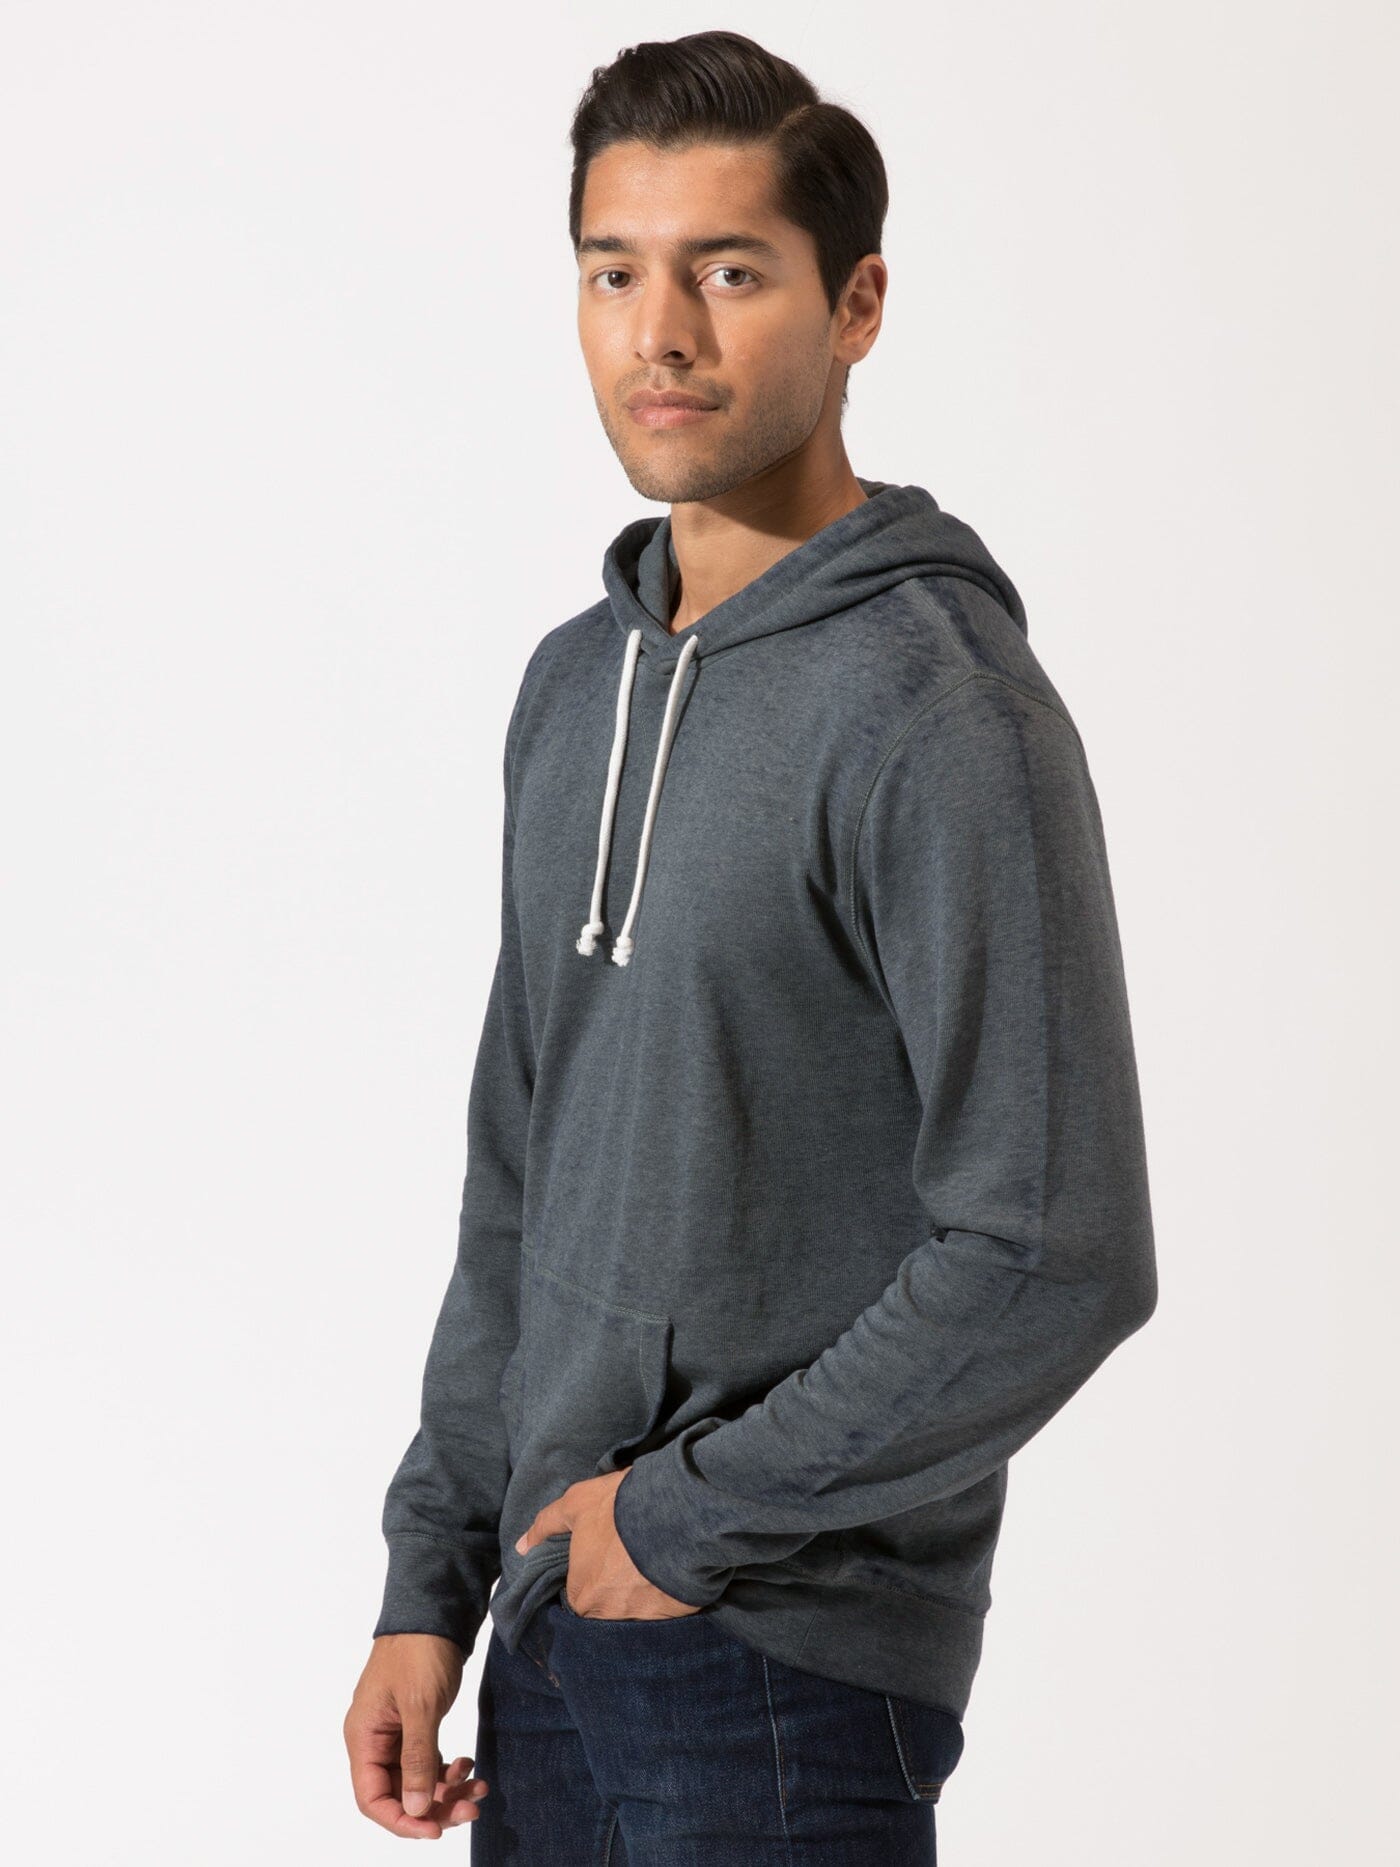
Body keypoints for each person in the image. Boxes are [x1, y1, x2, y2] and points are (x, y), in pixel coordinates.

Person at [343, 28, 1157, 1863]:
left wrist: (685, 1518)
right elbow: (520, 1183)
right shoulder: (574, 689)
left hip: (783, 1671)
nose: (662, 335)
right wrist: (431, 1576)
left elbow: (1056, 1247)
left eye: (728, 272)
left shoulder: (942, 712)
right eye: (612, 272)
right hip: (548, 1636)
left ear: (857, 304)